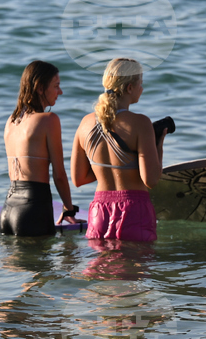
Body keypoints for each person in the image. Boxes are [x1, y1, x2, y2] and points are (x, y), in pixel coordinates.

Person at [71, 58, 167, 242]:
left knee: (101, 270)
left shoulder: (84, 123)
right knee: (135, 269)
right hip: (134, 209)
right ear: (129, 88)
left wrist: (107, 167)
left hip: (100, 210)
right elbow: (151, 180)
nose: (142, 88)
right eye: (141, 83)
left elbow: (78, 178)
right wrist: (158, 147)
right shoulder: (141, 123)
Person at [0, 61, 81, 236]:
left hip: (7, 209)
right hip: (33, 210)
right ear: (39, 88)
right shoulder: (48, 120)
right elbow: (59, 174)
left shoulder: (11, 121)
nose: (60, 92)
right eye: (56, 86)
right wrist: (69, 209)